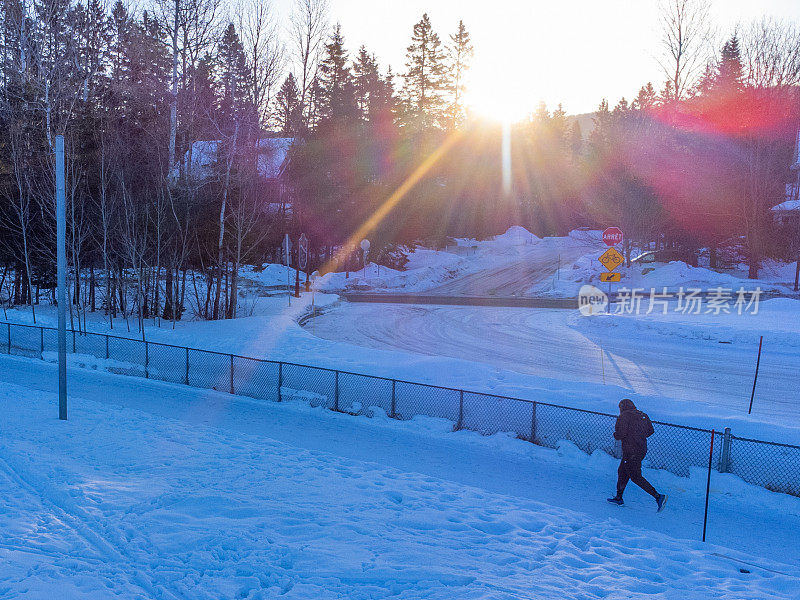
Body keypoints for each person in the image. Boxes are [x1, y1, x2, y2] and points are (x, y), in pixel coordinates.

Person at [607, 398, 667, 512]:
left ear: (622, 407)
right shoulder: (643, 415)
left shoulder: (624, 416)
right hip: (641, 449)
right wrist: (638, 436)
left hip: (631, 451)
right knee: (622, 471)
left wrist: (616, 434)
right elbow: (650, 431)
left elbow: (620, 434)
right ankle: (619, 497)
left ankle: (658, 497)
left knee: (635, 477)